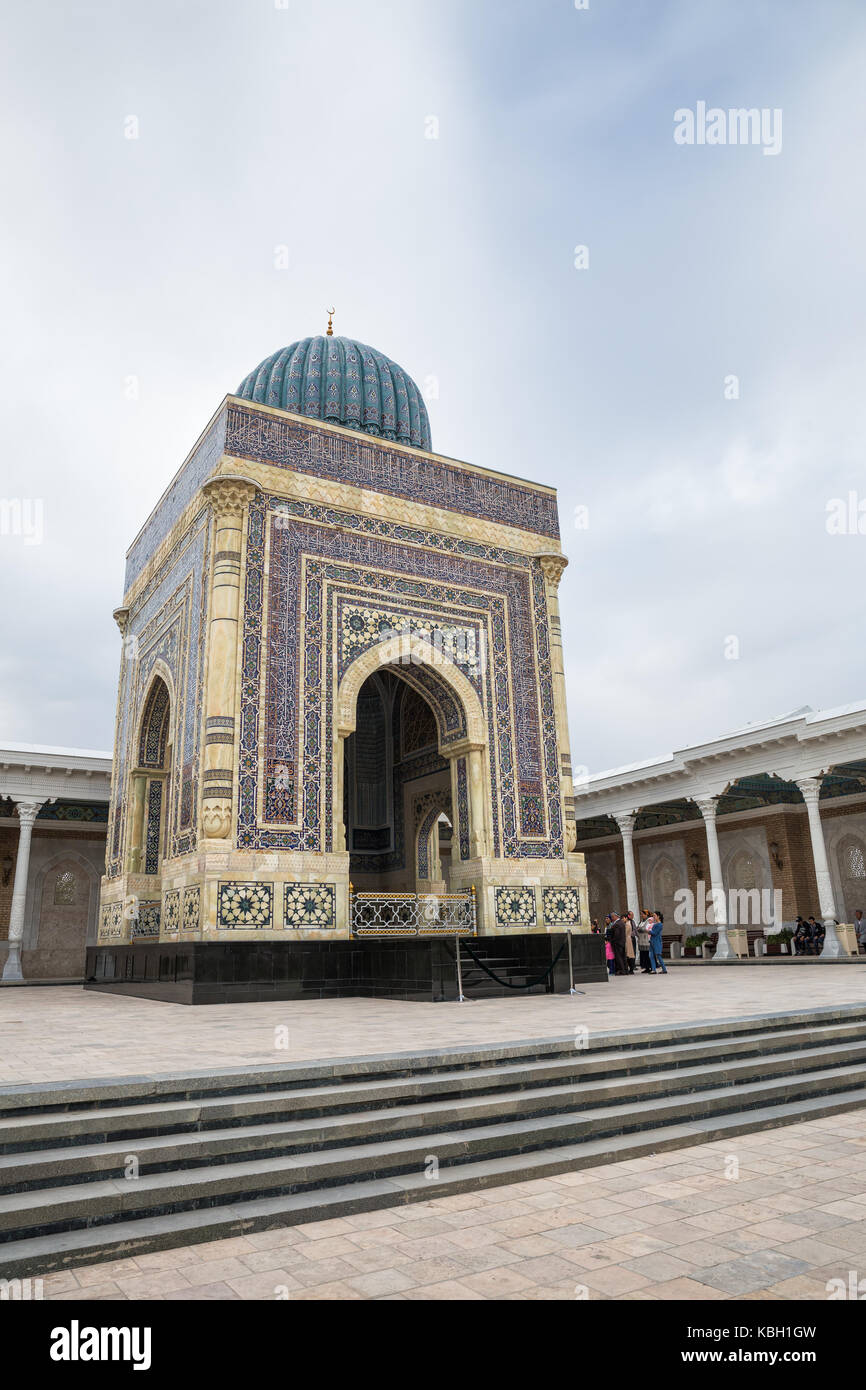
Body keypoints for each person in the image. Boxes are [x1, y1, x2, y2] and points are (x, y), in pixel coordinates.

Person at [610, 913, 628, 977]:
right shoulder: (622, 922)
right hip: (622, 942)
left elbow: (616, 935)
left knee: (619, 957)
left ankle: (621, 970)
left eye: (612, 917)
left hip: (617, 943)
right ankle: (625, 970)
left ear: (615, 916)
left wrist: (612, 941)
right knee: (623, 957)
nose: (611, 918)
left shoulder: (617, 924)